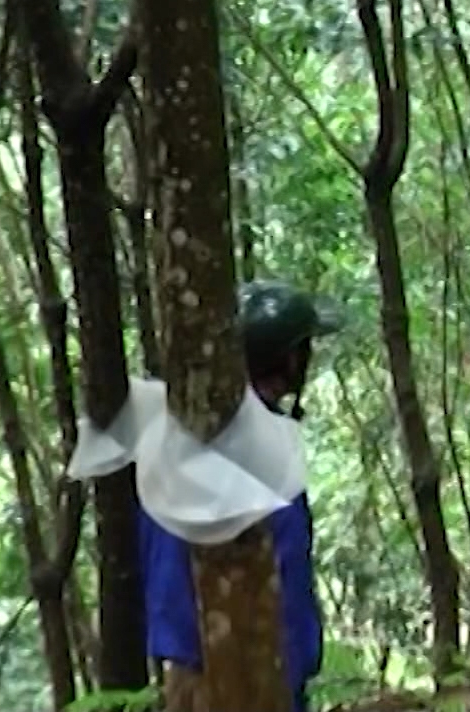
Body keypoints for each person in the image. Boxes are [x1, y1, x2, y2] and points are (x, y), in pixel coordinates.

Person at [140, 279, 335, 711]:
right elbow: (285, 568)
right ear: (288, 359)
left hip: (187, 670)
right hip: (247, 669)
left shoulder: (175, 435)